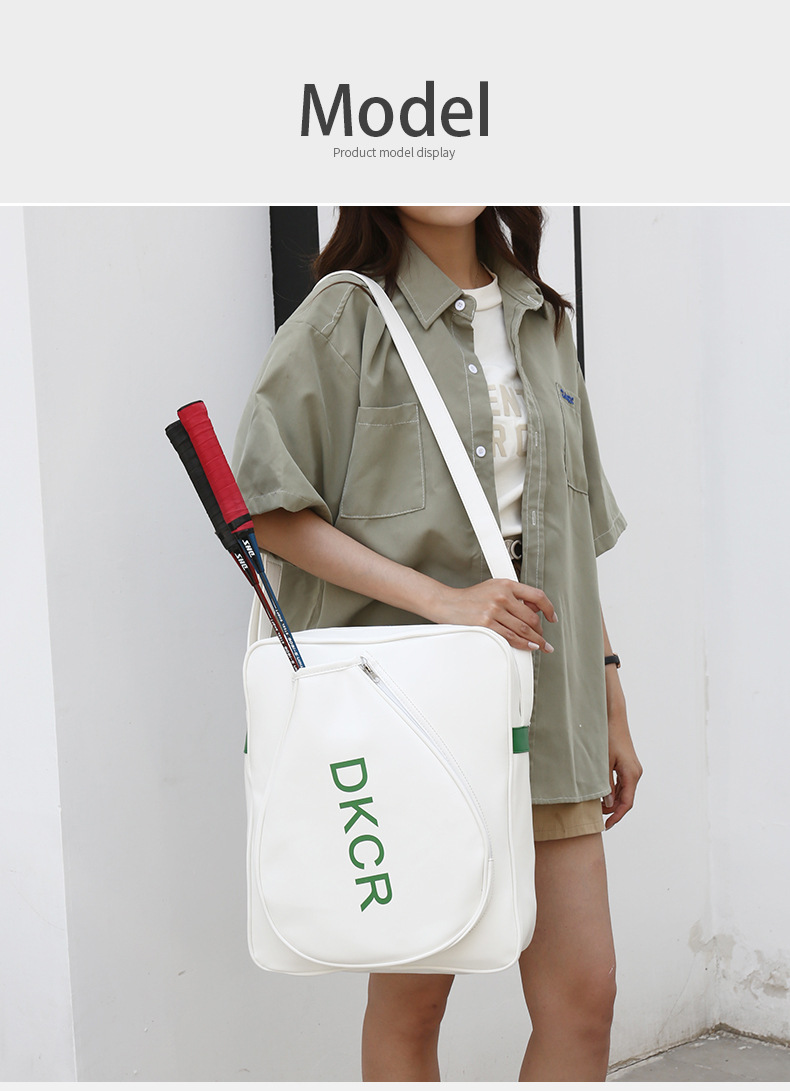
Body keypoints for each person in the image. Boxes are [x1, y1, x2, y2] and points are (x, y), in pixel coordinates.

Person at [232, 206, 643, 1082]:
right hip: (420, 715)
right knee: (414, 1005)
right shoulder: (346, 315)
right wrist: (445, 602)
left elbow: (567, 532)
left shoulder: (541, 318)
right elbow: (267, 511)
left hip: (554, 706)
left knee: (585, 999)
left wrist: (609, 692)